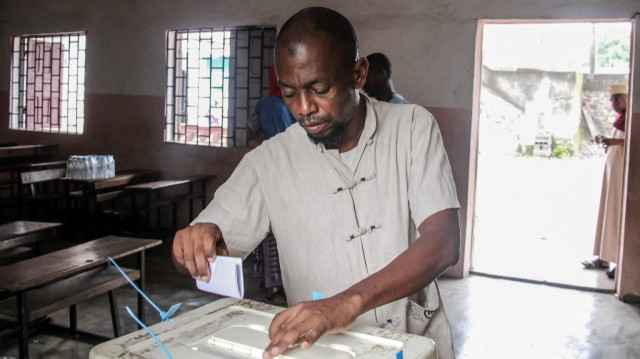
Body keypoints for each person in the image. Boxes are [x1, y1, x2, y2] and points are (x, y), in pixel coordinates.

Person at [172, 6, 460, 359]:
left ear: (358, 73)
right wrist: (192, 246)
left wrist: (345, 304)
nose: (305, 108)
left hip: (414, 344)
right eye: (290, 93)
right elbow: (201, 251)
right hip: (324, 351)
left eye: (320, 89)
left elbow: (443, 243)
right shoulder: (270, 161)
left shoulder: (412, 127)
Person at [247, 65, 296, 304]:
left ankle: (273, 284)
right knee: (290, 232)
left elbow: (251, 129)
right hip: (295, 175)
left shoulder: (266, 105)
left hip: (268, 175)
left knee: (267, 231)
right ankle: (291, 283)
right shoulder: (299, 104)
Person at [582, 83, 628, 279]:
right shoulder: (621, 120)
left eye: (618, 98)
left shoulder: (631, 120)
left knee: (619, 215)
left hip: (624, 175)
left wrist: (614, 142)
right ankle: (605, 258)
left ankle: (621, 261)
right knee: (608, 212)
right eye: (611, 99)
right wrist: (609, 142)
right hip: (613, 171)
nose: (614, 102)